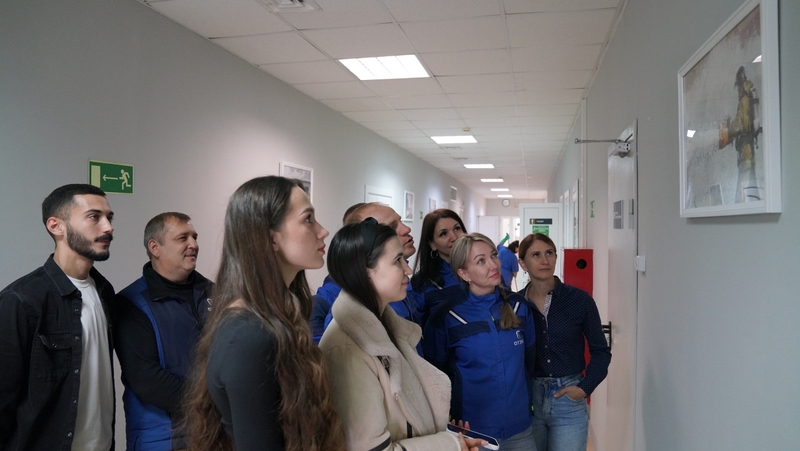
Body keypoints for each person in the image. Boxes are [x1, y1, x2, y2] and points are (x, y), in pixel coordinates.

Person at [184, 176, 345, 451]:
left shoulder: (274, 318)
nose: (323, 231)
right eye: (308, 219)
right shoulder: (247, 335)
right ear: (271, 238)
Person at [319, 218, 486, 451]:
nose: (408, 270)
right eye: (397, 261)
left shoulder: (384, 326)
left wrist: (448, 436)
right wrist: (450, 445)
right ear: (365, 272)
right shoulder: (346, 348)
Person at [0, 184, 116, 450]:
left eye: (109, 218)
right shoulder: (21, 300)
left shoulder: (105, 292)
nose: (108, 227)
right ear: (56, 226)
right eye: (94, 217)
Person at [424, 233, 537, 451]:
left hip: (520, 429)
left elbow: (530, 362)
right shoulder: (447, 315)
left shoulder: (519, 307)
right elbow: (435, 372)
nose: (493, 265)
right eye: (481, 261)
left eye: (493, 255)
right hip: (474, 433)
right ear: (464, 273)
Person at [114, 212, 213, 450]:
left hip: (216, 432)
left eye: (195, 237)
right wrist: (211, 403)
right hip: (162, 438)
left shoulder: (217, 294)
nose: (193, 244)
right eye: (183, 238)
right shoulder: (131, 303)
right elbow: (146, 379)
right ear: (155, 247)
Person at [517, 233, 611, 451]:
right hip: (528, 399)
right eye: (536, 255)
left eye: (549, 253)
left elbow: (601, 351)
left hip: (568, 399)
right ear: (522, 263)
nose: (544, 260)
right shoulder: (515, 304)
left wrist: (584, 388)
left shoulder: (579, 300)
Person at [312, 202, 419, 343]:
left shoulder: (397, 279)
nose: (406, 229)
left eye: (401, 221)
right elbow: (315, 317)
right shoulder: (338, 288)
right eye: (390, 227)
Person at [409, 209, 466, 325]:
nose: (454, 237)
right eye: (443, 234)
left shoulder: (485, 269)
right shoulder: (421, 283)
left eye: (457, 228)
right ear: (432, 244)